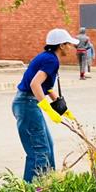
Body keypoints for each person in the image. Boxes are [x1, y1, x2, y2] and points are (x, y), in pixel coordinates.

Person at [12, 28, 78, 182]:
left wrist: (61, 107)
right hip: (27, 103)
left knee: (48, 145)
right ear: (61, 45)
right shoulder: (51, 60)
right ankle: (33, 191)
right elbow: (35, 84)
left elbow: (45, 87)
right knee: (39, 150)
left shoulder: (47, 57)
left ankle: (49, 182)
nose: (71, 47)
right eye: (69, 44)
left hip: (27, 102)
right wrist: (48, 109)